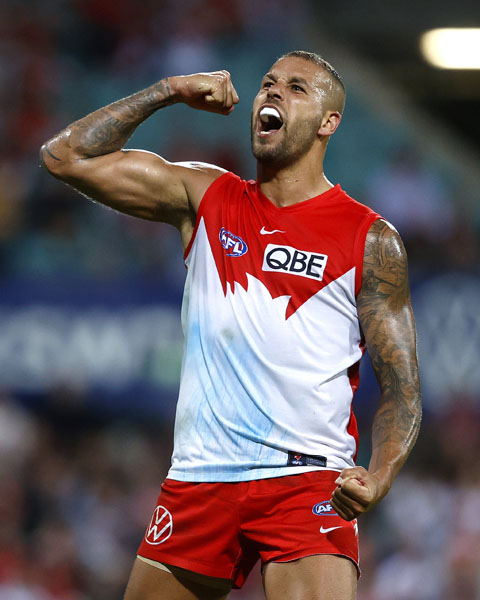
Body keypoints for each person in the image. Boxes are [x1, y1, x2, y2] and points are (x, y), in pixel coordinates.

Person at [41, 50, 421, 600]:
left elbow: (404, 392)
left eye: (295, 88)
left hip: (306, 479)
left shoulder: (370, 239)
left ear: (328, 123)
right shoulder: (206, 197)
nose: (272, 93)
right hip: (201, 477)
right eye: (268, 83)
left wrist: (380, 474)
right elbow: (64, 157)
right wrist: (168, 89)